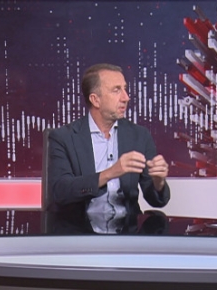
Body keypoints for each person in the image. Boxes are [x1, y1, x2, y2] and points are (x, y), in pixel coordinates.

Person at [46, 63, 170, 227]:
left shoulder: (139, 136)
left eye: (125, 89)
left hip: (126, 231)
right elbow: (60, 191)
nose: (126, 97)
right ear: (95, 100)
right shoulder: (64, 138)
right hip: (80, 230)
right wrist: (110, 173)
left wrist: (158, 182)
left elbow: (156, 200)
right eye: (116, 90)